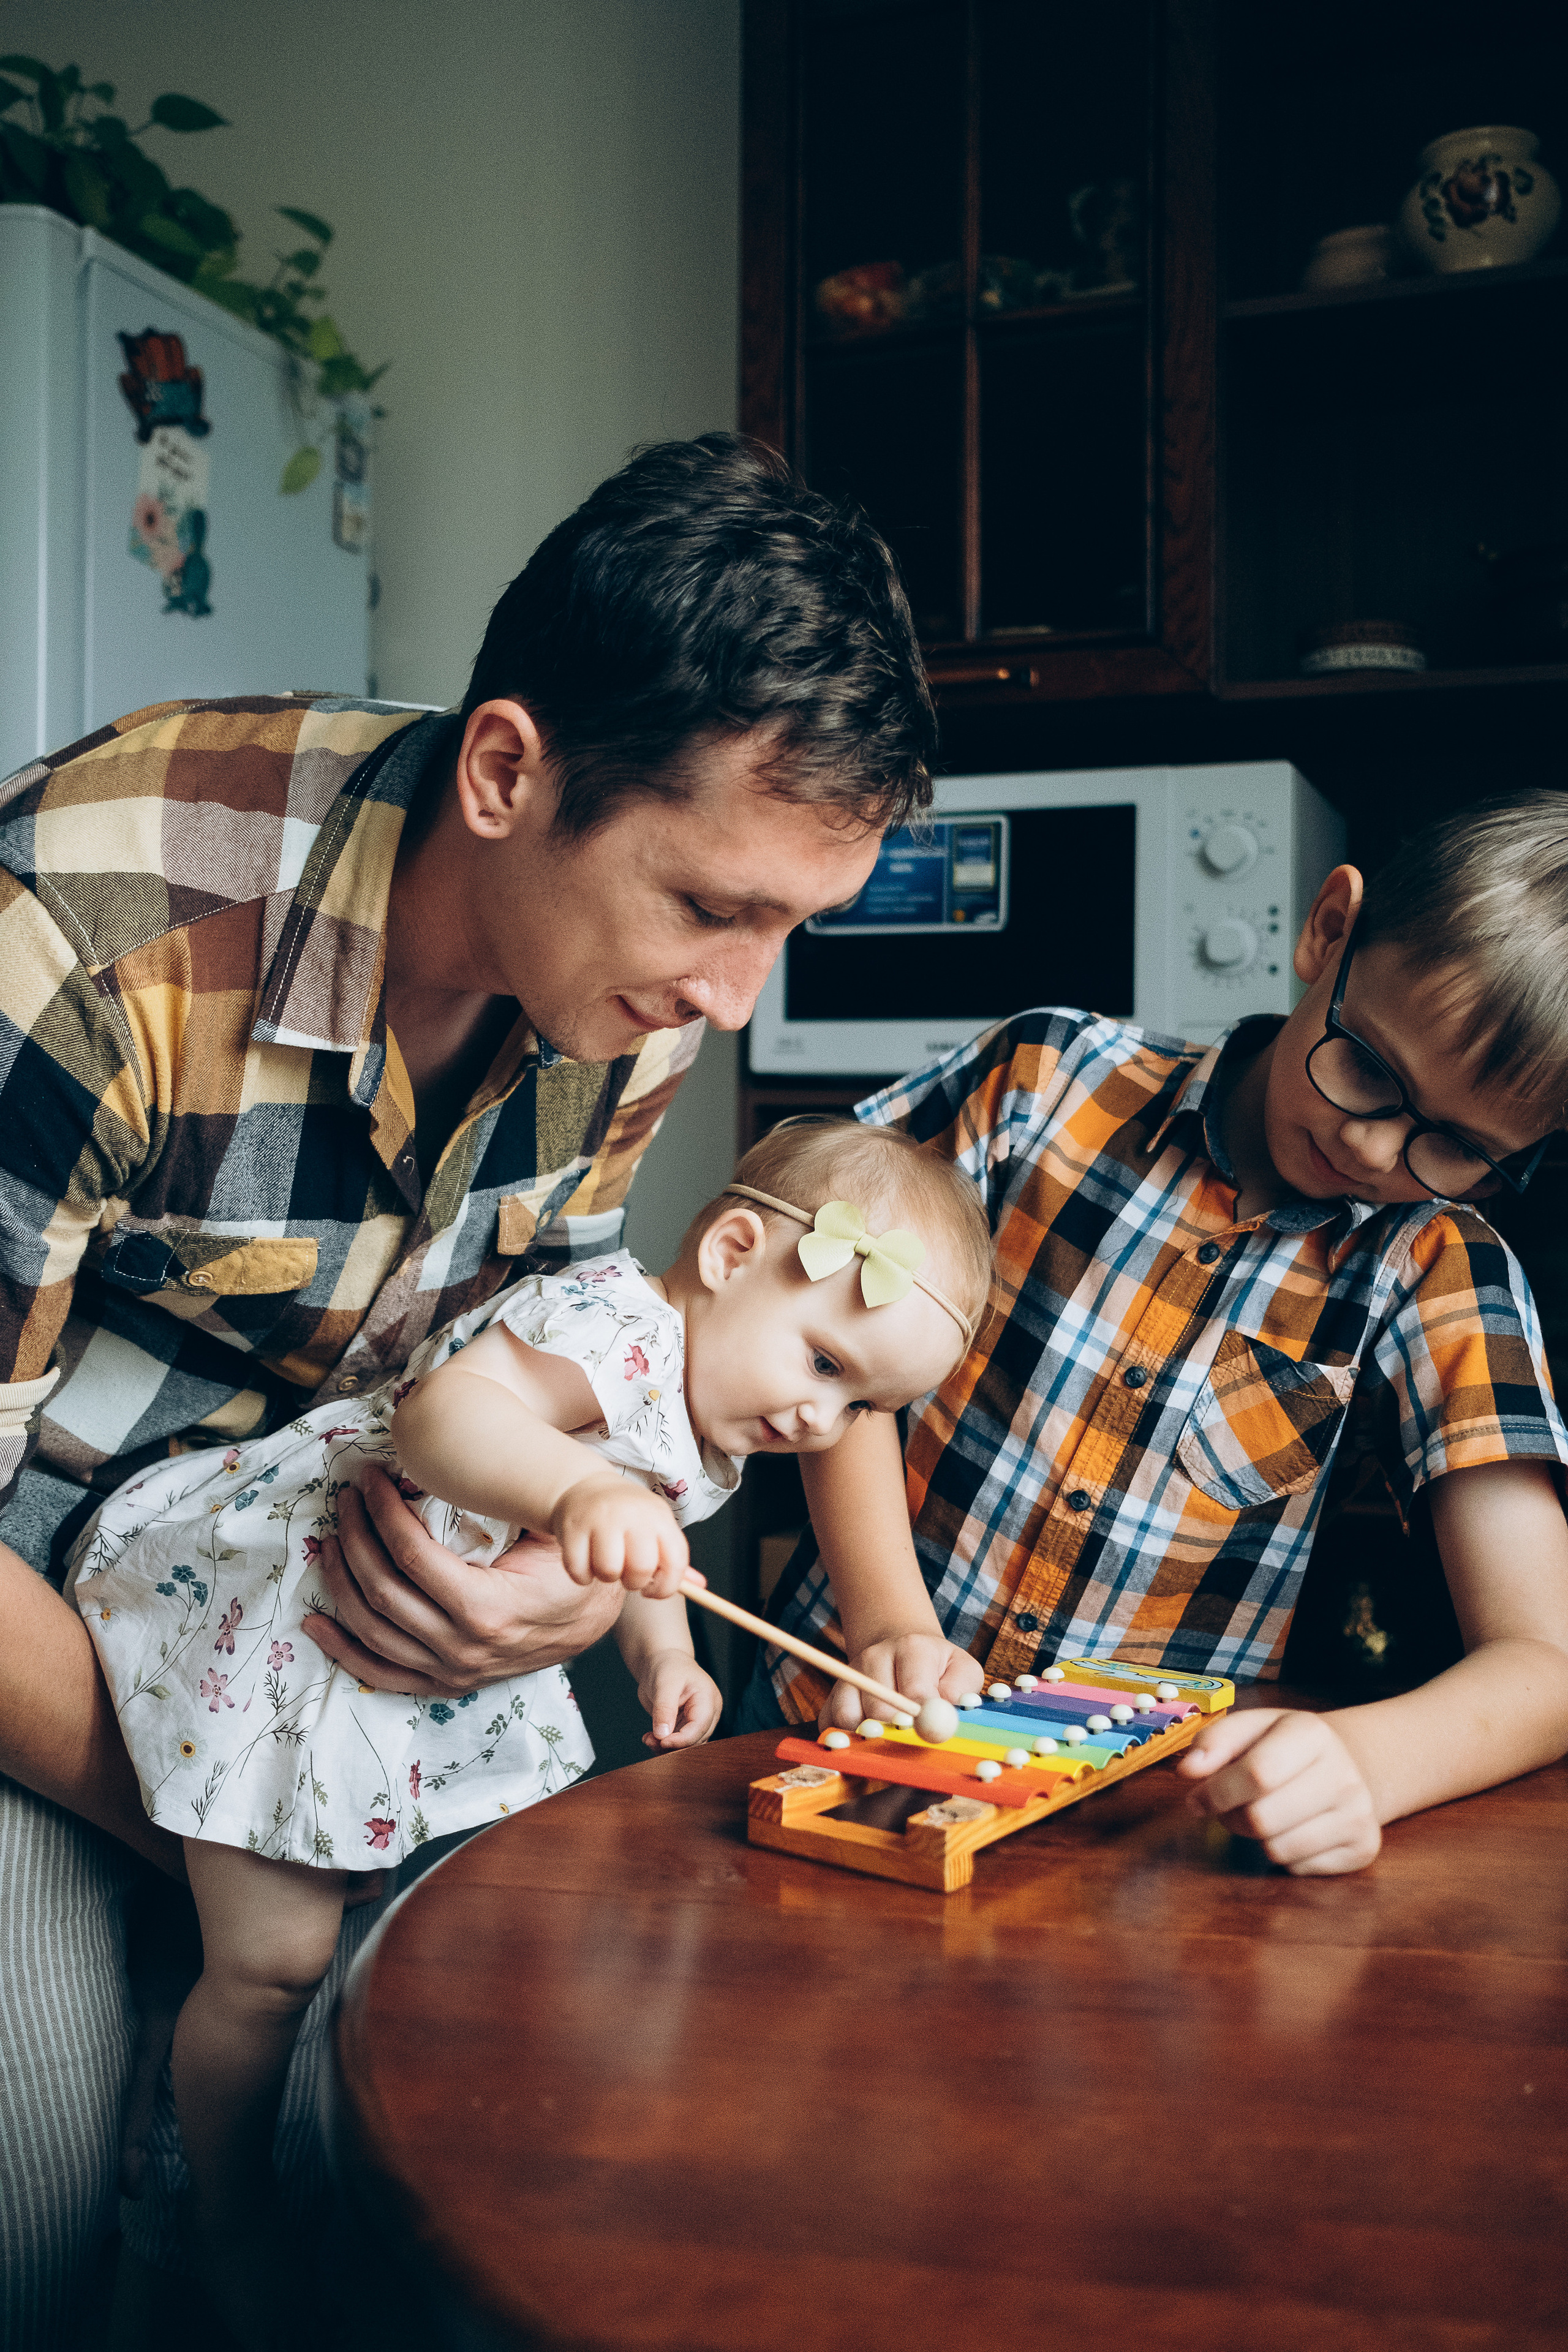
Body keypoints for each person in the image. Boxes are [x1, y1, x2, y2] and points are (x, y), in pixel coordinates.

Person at [0, 432, 936, 2345]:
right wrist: (238, 1805)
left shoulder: (619, 989)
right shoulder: (74, 946)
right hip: (59, 1634)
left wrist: (556, 1593)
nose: (739, 999)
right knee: (41, 2146)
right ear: (510, 772)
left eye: (792, 930)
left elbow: (512, 1373)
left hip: (316, 1624)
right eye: (712, 911)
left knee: (504, 2100)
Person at [69, 1117, 989, 2343]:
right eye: (825, 1363)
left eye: (864, 1403)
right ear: (727, 1249)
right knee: (271, 1961)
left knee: (434, 1936)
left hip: (411, 1665)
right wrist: (576, 1487)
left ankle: (339, 2173)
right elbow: (446, 1415)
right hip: (300, 1618)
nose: (825, 1422)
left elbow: (636, 1555)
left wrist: (664, 1650)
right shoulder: (611, 1325)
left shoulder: (706, 1410)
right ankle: (216, 2206)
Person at [747, 793, 1568, 1877]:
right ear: (1329, 929)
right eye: (1369, 1070)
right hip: (820, 1726)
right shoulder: (1043, 1083)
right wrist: (889, 1620)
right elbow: (818, 1324)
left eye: (1455, 1147)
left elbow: (1547, 1661)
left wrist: (1369, 1763)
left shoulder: (1437, 1268)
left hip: (1117, 1847)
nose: (1375, 1152)